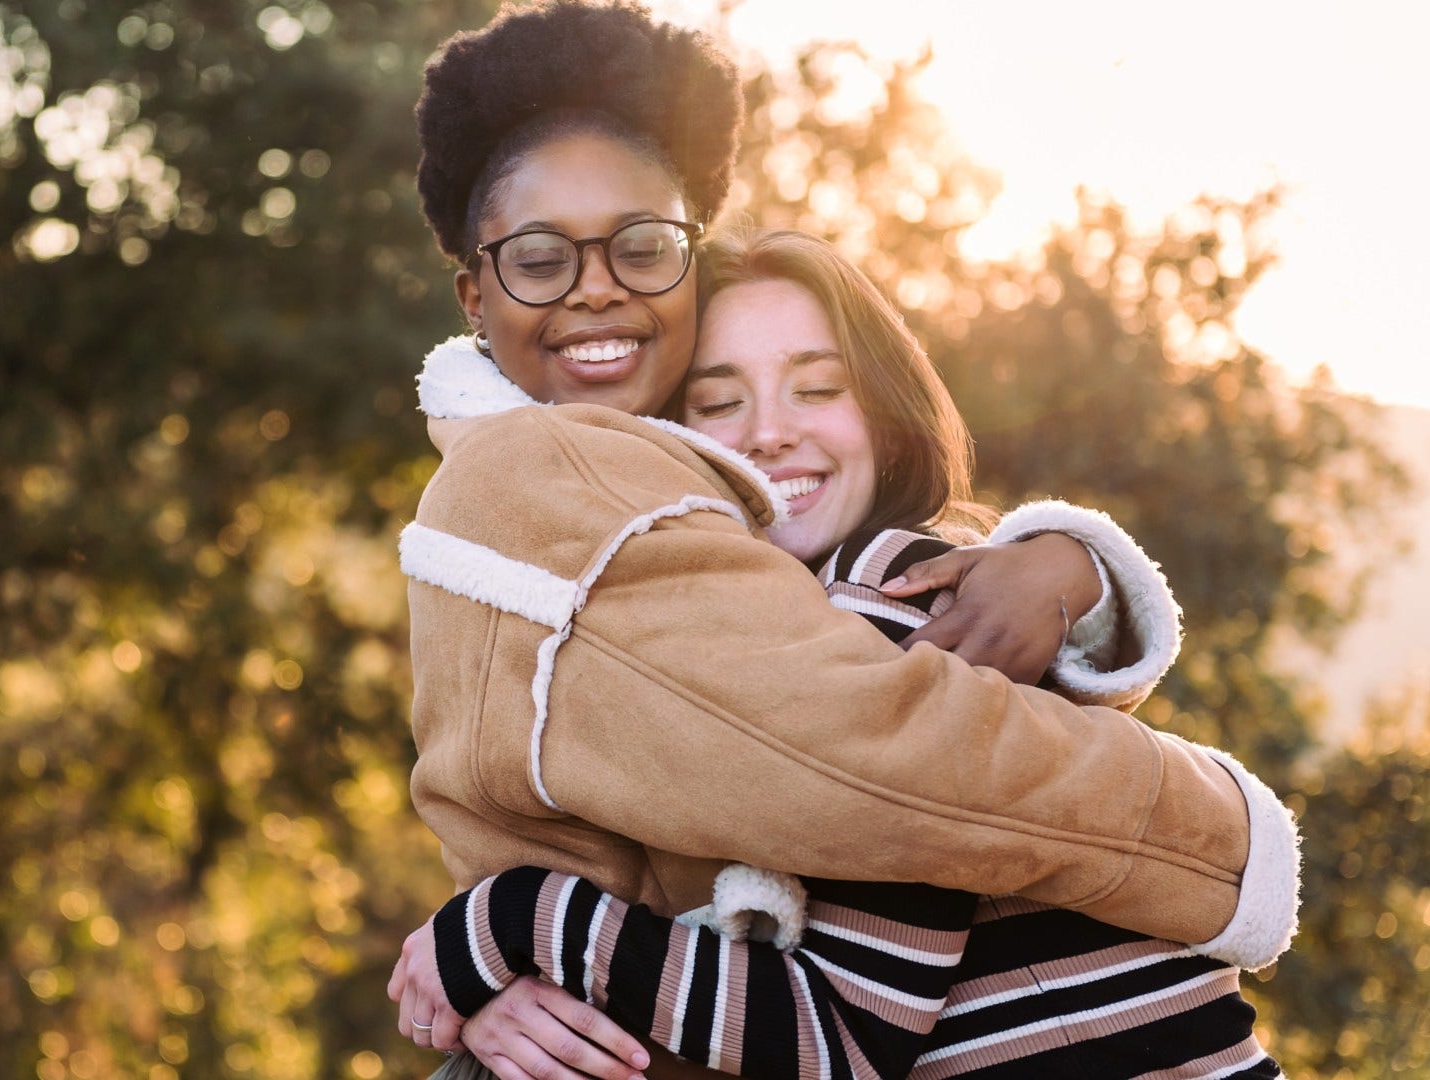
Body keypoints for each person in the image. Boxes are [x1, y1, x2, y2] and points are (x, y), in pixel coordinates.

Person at [391, 2, 1297, 1076]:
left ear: (886, 405)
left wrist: (503, 930)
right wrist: (491, 951)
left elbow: (840, 1018)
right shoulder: (565, 510)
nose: (771, 429)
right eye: (721, 402)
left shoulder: (888, 600)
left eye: (818, 388)